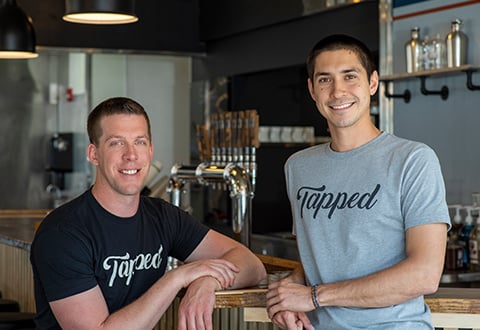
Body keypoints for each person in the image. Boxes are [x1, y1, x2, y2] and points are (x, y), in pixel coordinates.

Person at [30, 97, 267, 330]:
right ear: (94, 154)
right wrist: (177, 278)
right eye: (116, 142)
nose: (131, 154)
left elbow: (252, 265)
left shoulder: (162, 217)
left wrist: (208, 280)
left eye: (140, 142)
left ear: (151, 150)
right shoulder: (63, 234)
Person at [266, 34, 450, 329]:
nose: (338, 91)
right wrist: (290, 292)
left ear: (372, 83)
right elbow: (320, 254)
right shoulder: (298, 167)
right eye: (325, 80)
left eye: (350, 76)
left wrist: (313, 297)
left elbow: (424, 274)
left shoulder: (413, 160)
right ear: (312, 90)